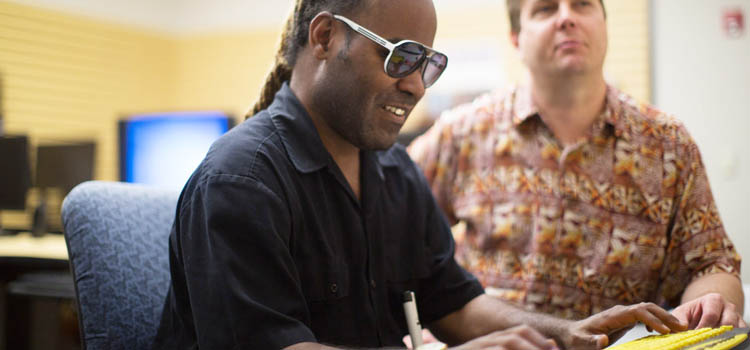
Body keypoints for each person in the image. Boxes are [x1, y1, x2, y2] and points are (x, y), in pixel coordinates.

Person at [152, 0, 687, 349]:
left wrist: (566, 333)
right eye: (401, 58)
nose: (417, 87)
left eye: (427, 65)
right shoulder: (240, 183)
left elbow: (452, 303)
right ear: (324, 37)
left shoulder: (392, 171)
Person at [408, 0, 745, 330]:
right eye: (545, 9)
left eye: (582, 4)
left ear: (604, 25)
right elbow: (393, 229)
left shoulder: (668, 144)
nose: (566, 17)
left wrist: (709, 304)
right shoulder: (462, 134)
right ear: (516, 39)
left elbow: (711, 264)